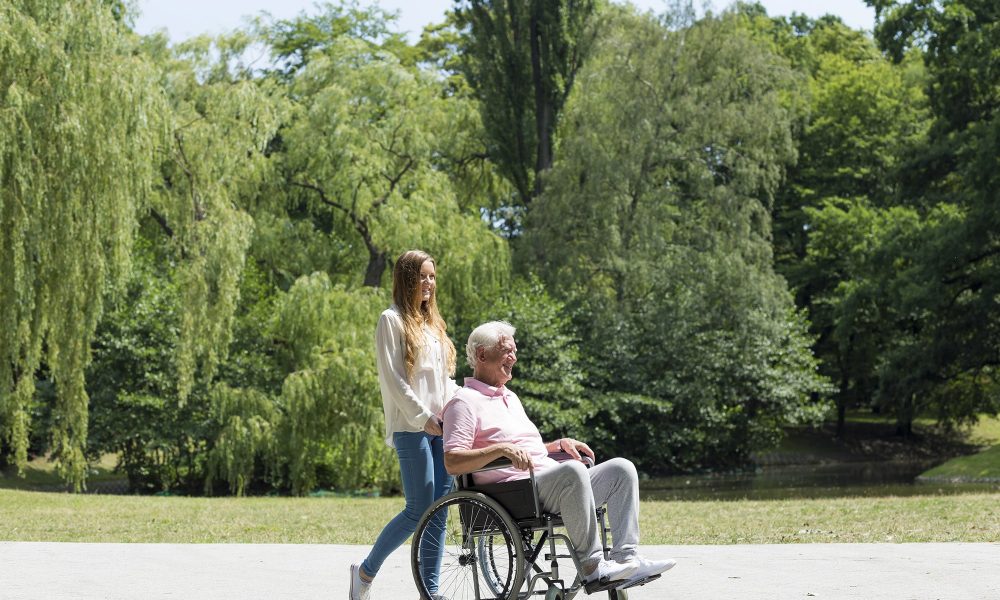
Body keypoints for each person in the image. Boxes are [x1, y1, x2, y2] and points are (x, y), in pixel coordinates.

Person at [442, 321, 677, 588]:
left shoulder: (510, 397)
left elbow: (525, 449)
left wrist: (555, 446)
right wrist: (500, 450)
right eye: (507, 351)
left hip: (544, 482)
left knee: (621, 469)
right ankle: (592, 566)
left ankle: (627, 560)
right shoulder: (464, 402)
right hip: (513, 493)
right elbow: (453, 460)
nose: (514, 357)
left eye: (514, 351)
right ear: (482, 355)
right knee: (574, 471)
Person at [350, 250, 458, 600]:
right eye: (422, 276)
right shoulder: (390, 320)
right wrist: (424, 418)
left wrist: (464, 404)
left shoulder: (434, 325)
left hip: (442, 429)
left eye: (433, 276)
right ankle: (365, 572)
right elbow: (395, 381)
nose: (428, 283)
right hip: (412, 426)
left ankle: (431, 592)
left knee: (438, 513)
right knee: (418, 510)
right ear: (407, 279)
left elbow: (444, 381)